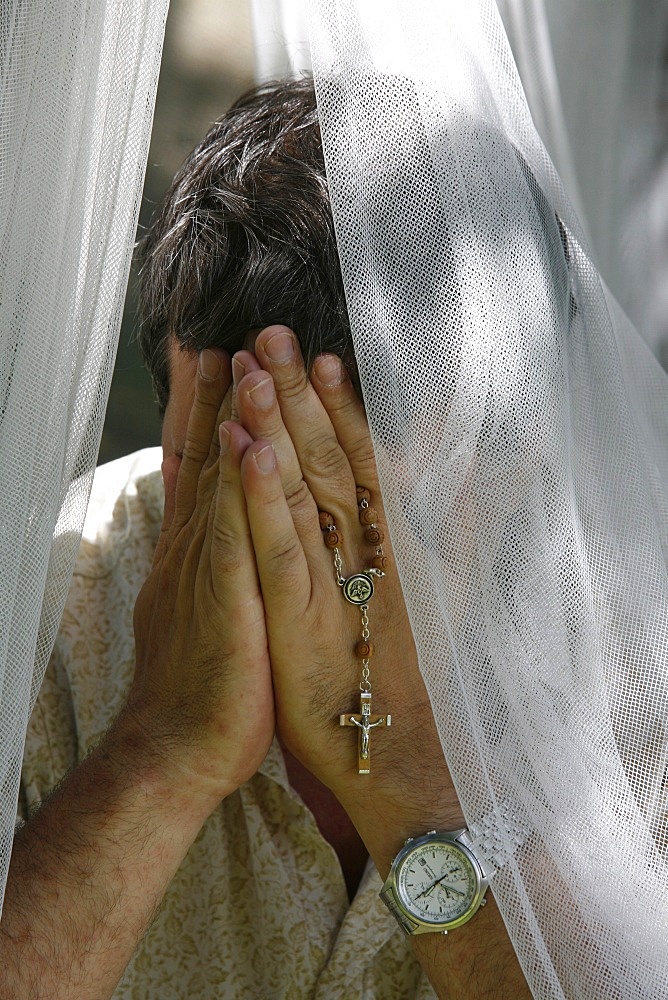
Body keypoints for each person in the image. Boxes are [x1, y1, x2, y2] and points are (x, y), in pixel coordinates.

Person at [1, 79, 531, 998]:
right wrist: (160, 751)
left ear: (516, 460)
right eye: (227, 481)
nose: (296, 575)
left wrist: (412, 795)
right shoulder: (40, 608)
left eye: (362, 517)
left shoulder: (631, 670)